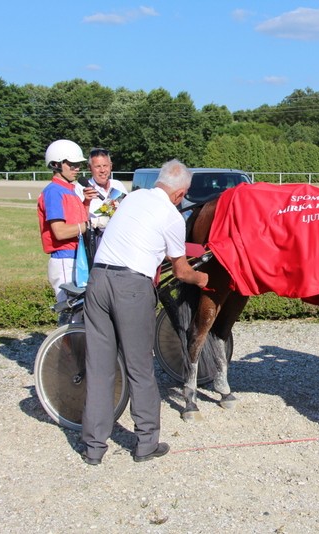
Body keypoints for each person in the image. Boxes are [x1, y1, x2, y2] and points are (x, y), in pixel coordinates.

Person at [80, 159, 208, 465]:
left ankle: (94, 448)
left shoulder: (133, 197)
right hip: (131, 287)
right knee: (140, 367)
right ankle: (146, 442)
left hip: (98, 280)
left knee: (99, 368)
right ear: (181, 194)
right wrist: (203, 278)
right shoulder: (172, 216)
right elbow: (180, 271)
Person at [36, 139, 98, 324]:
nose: (77, 168)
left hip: (75, 258)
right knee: (70, 316)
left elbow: (78, 222)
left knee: (79, 315)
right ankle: (62, 351)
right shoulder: (54, 192)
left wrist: (86, 203)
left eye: (78, 164)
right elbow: (60, 232)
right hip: (64, 259)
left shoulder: (71, 190)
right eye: (71, 164)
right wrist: (91, 224)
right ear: (56, 164)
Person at [77, 147, 128, 216]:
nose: (102, 170)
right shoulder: (81, 189)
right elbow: (78, 219)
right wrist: (86, 202)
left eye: (105, 165)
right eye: (98, 166)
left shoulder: (118, 185)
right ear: (89, 167)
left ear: (111, 166)